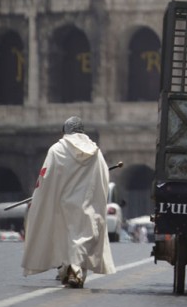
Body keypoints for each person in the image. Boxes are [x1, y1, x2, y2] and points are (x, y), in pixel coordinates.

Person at [21, 116, 116, 288]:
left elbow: (45, 177)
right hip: (87, 204)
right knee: (81, 238)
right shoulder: (95, 152)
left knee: (67, 238)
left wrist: (41, 195)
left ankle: (73, 271)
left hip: (63, 204)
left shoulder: (57, 150)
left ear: (65, 131)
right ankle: (72, 271)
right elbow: (103, 177)